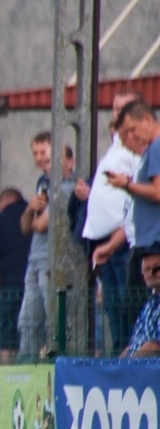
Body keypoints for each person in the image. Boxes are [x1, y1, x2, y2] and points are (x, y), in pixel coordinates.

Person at [84, 98, 143, 353]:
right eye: (114, 107)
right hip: (105, 242)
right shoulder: (115, 148)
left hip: (123, 242)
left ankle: (132, 355)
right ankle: (118, 354)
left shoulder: (139, 149)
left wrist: (115, 239)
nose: (116, 112)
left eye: (123, 107)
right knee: (111, 307)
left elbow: (138, 200)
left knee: (127, 304)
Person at [107, 100, 160, 350]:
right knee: (135, 309)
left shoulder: (158, 146)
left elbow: (158, 192)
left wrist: (127, 185)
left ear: (148, 120)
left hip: (153, 244)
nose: (131, 137)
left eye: (132, 130)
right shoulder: (151, 150)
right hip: (147, 241)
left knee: (133, 306)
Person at [17, 132, 56, 361]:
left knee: (52, 319)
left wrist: (33, 217)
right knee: (28, 321)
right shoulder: (42, 182)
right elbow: (25, 227)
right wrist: (31, 208)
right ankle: (27, 365)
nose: (40, 158)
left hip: (50, 260)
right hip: (35, 258)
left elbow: (40, 226)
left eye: (44, 152)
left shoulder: (62, 184)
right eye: (35, 153)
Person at [0, 186, 31, 362]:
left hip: (8, 287)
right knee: (32, 333)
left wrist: (0, 291)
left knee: (7, 339)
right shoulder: (33, 217)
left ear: (1, 203)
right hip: (35, 284)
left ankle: (6, 375)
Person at [122, 249, 160, 358]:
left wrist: (128, 365)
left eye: (156, 268)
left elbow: (155, 346)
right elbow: (134, 343)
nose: (151, 273)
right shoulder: (149, 304)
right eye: (146, 269)